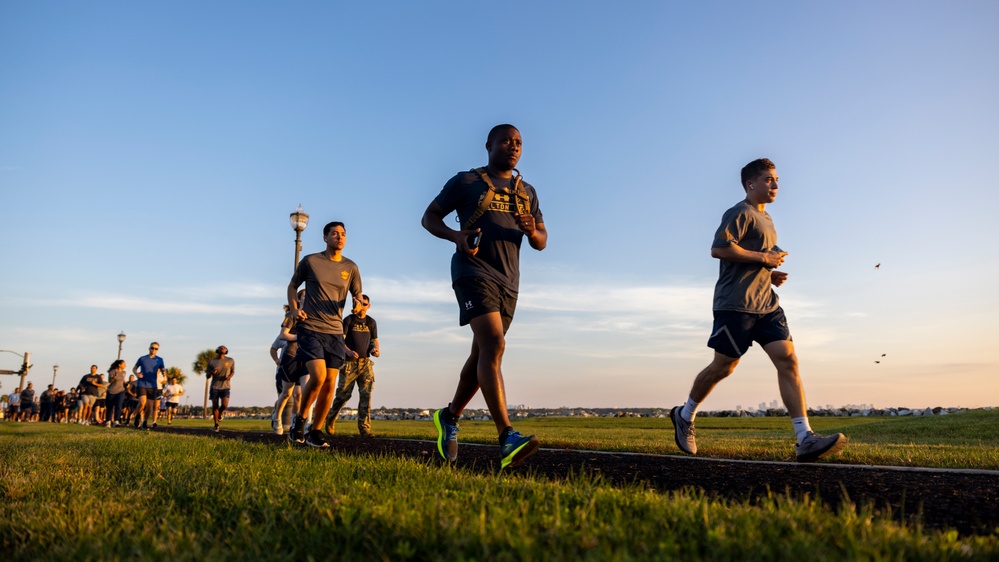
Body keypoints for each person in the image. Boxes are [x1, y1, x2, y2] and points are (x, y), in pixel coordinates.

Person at [669, 158, 846, 463]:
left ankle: (805, 437)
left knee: (788, 360)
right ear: (750, 184)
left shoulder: (768, 220)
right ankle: (684, 415)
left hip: (767, 304)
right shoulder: (740, 212)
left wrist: (769, 273)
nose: (775, 184)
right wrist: (764, 260)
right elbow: (720, 249)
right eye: (767, 179)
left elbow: (754, 259)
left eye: (776, 179)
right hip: (735, 305)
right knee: (723, 367)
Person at [421, 124, 548, 469]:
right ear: (489, 144)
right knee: (493, 345)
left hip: (510, 281)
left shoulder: (528, 192)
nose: (513, 146)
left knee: (482, 355)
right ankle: (507, 436)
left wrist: (531, 229)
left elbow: (542, 240)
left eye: (519, 142)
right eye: (506, 140)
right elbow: (429, 217)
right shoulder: (465, 181)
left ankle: (448, 417)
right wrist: (456, 236)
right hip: (472, 271)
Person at [286, 221, 363, 447]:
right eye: (335, 234)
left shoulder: (351, 267)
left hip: (335, 332)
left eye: (343, 234)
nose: (339, 237)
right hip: (310, 327)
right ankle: (299, 422)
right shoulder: (311, 261)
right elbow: (292, 286)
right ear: (325, 238)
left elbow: (358, 294)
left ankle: (315, 431)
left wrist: (358, 304)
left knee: (330, 383)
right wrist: (293, 309)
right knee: (318, 377)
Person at [325, 293, 380, 438]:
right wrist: (348, 351)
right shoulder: (348, 320)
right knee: (343, 395)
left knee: (366, 396)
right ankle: (330, 419)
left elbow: (374, 341)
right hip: (349, 364)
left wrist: (375, 350)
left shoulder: (371, 322)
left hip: (365, 364)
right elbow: (340, 341)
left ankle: (364, 429)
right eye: (359, 302)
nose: (362, 305)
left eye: (364, 303)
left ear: (368, 306)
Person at [272, 292, 308, 436]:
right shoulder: (292, 315)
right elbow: (282, 335)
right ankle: (277, 417)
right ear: (298, 299)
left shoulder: (314, 315)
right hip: (291, 357)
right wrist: (299, 337)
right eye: (304, 295)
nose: (308, 297)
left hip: (307, 357)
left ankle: (298, 424)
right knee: (287, 393)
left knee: (302, 394)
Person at [133, 342, 165, 430]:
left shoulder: (160, 360)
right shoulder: (142, 358)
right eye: (152, 348)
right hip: (142, 383)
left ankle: (145, 422)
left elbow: (163, 370)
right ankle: (138, 416)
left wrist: (165, 377)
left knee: (149, 406)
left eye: (156, 349)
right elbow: (134, 368)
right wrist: (137, 374)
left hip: (153, 385)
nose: (153, 350)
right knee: (142, 403)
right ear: (149, 348)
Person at [206, 346, 235, 432]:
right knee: (215, 406)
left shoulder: (230, 360)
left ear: (226, 350)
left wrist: (229, 376)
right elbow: (207, 376)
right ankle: (216, 425)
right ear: (217, 350)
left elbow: (233, 371)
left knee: (225, 405)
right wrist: (212, 372)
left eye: (224, 348)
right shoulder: (212, 361)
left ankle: (220, 412)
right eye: (221, 347)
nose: (222, 348)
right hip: (214, 387)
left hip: (225, 386)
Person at [106, 360, 128, 426]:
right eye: (124, 364)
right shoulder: (112, 371)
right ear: (119, 365)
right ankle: (108, 421)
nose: (125, 365)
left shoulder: (124, 372)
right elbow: (110, 381)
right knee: (110, 407)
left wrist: (126, 384)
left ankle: (116, 421)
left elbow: (122, 380)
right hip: (111, 391)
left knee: (119, 405)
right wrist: (114, 377)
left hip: (121, 391)